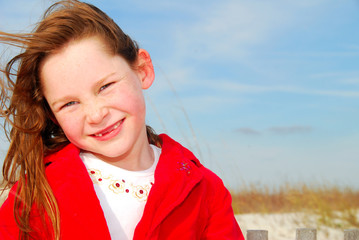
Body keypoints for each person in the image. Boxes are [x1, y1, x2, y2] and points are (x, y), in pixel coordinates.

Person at [0, 1, 244, 239]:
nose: (96, 115)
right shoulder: (36, 195)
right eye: (70, 103)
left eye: (105, 86)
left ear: (142, 70)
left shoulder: (203, 189)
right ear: (54, 116)